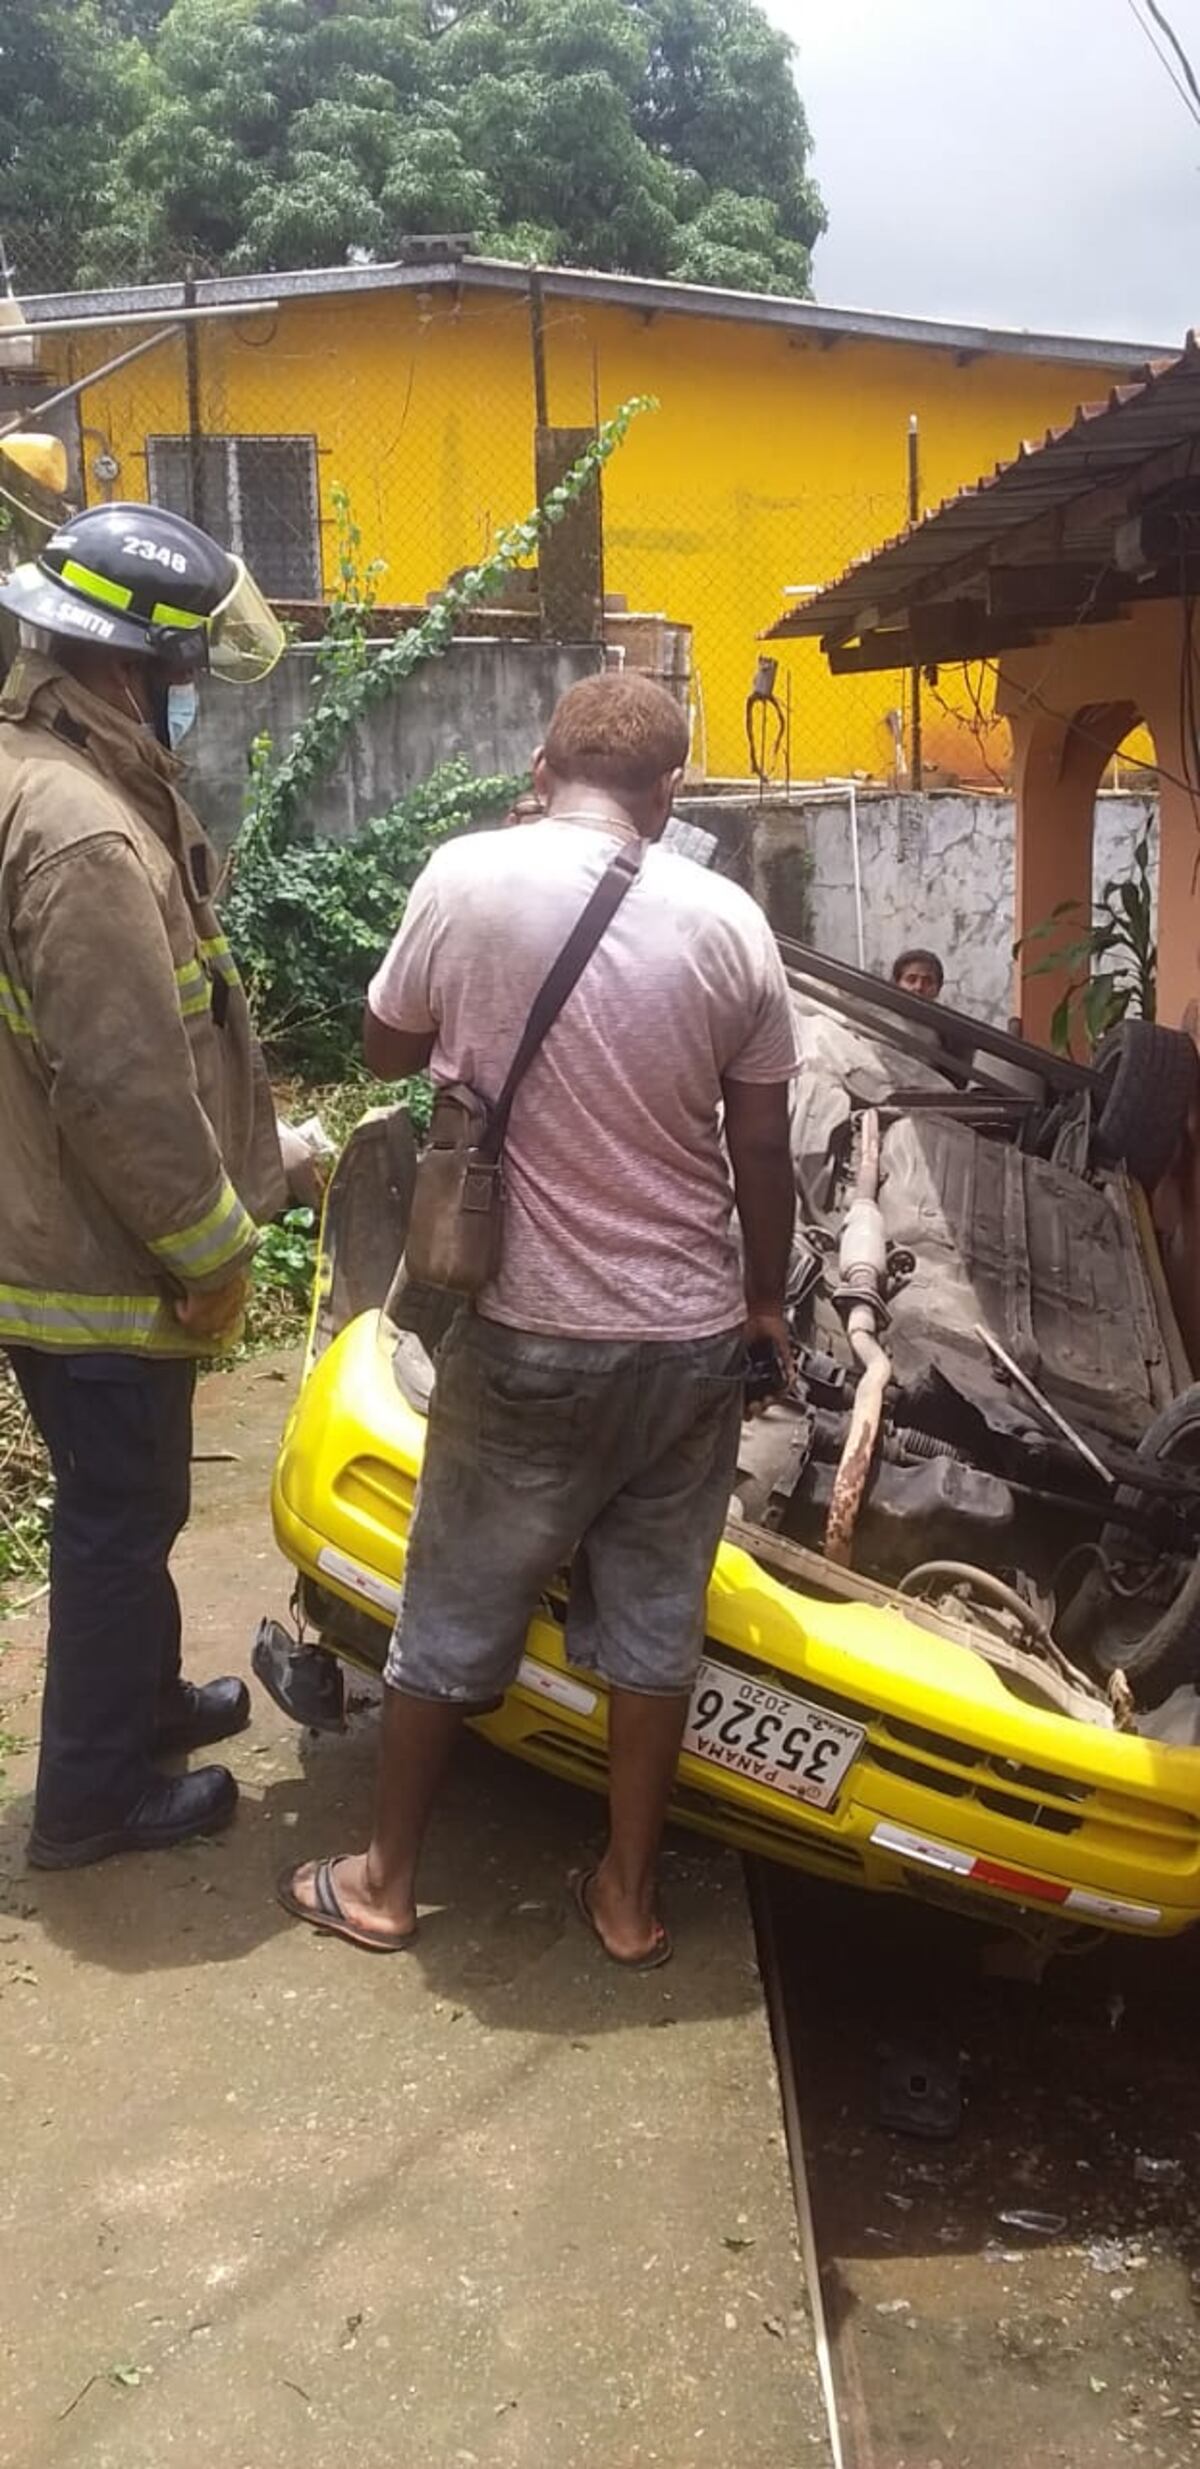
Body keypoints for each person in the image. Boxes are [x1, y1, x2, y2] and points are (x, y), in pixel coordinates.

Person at [279, 672, 798, 1966]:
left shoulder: (466, 876)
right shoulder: (732, 922)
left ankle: (386, 1883)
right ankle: (627, 1897)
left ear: (539, 766)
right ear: (668, 792)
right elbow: (762, 1145)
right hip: (687, 1342)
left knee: (455, 1600)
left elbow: (385, 1050)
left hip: (523, 1329)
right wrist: (762, 1304)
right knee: (653, 1628)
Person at [0, 502, 287, 1868]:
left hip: (55, 1222)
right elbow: (122, 1082)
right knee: (120, 1518)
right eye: (178, 674)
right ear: (127, 669)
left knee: (138, 1500)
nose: (185, 697)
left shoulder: (44, 772)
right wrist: (211, 1252)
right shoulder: (82, 830)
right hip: (98, 1253)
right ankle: (93, 1798)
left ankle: (145, 1704)